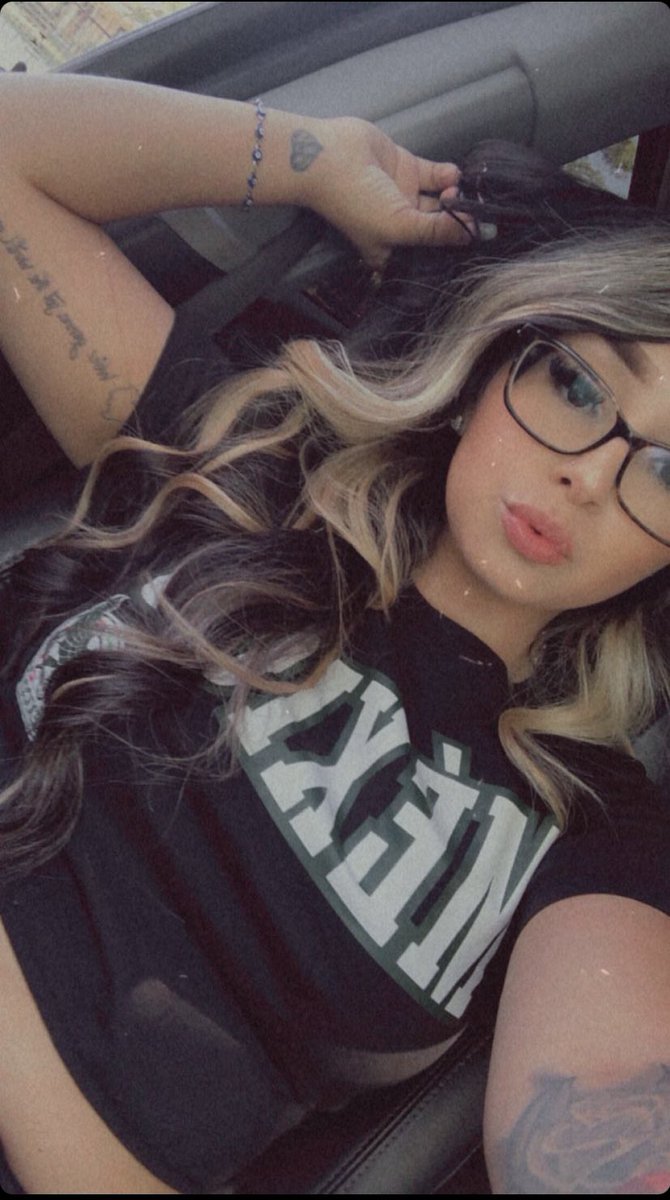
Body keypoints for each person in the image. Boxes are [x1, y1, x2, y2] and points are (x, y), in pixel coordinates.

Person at [0, 72, 669, 1196]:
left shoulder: (589, 822)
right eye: (574, 381)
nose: (589, 477)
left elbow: (605, 1137)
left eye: (666, 471)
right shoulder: (252, 458)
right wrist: (317, 159)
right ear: (490, 364)